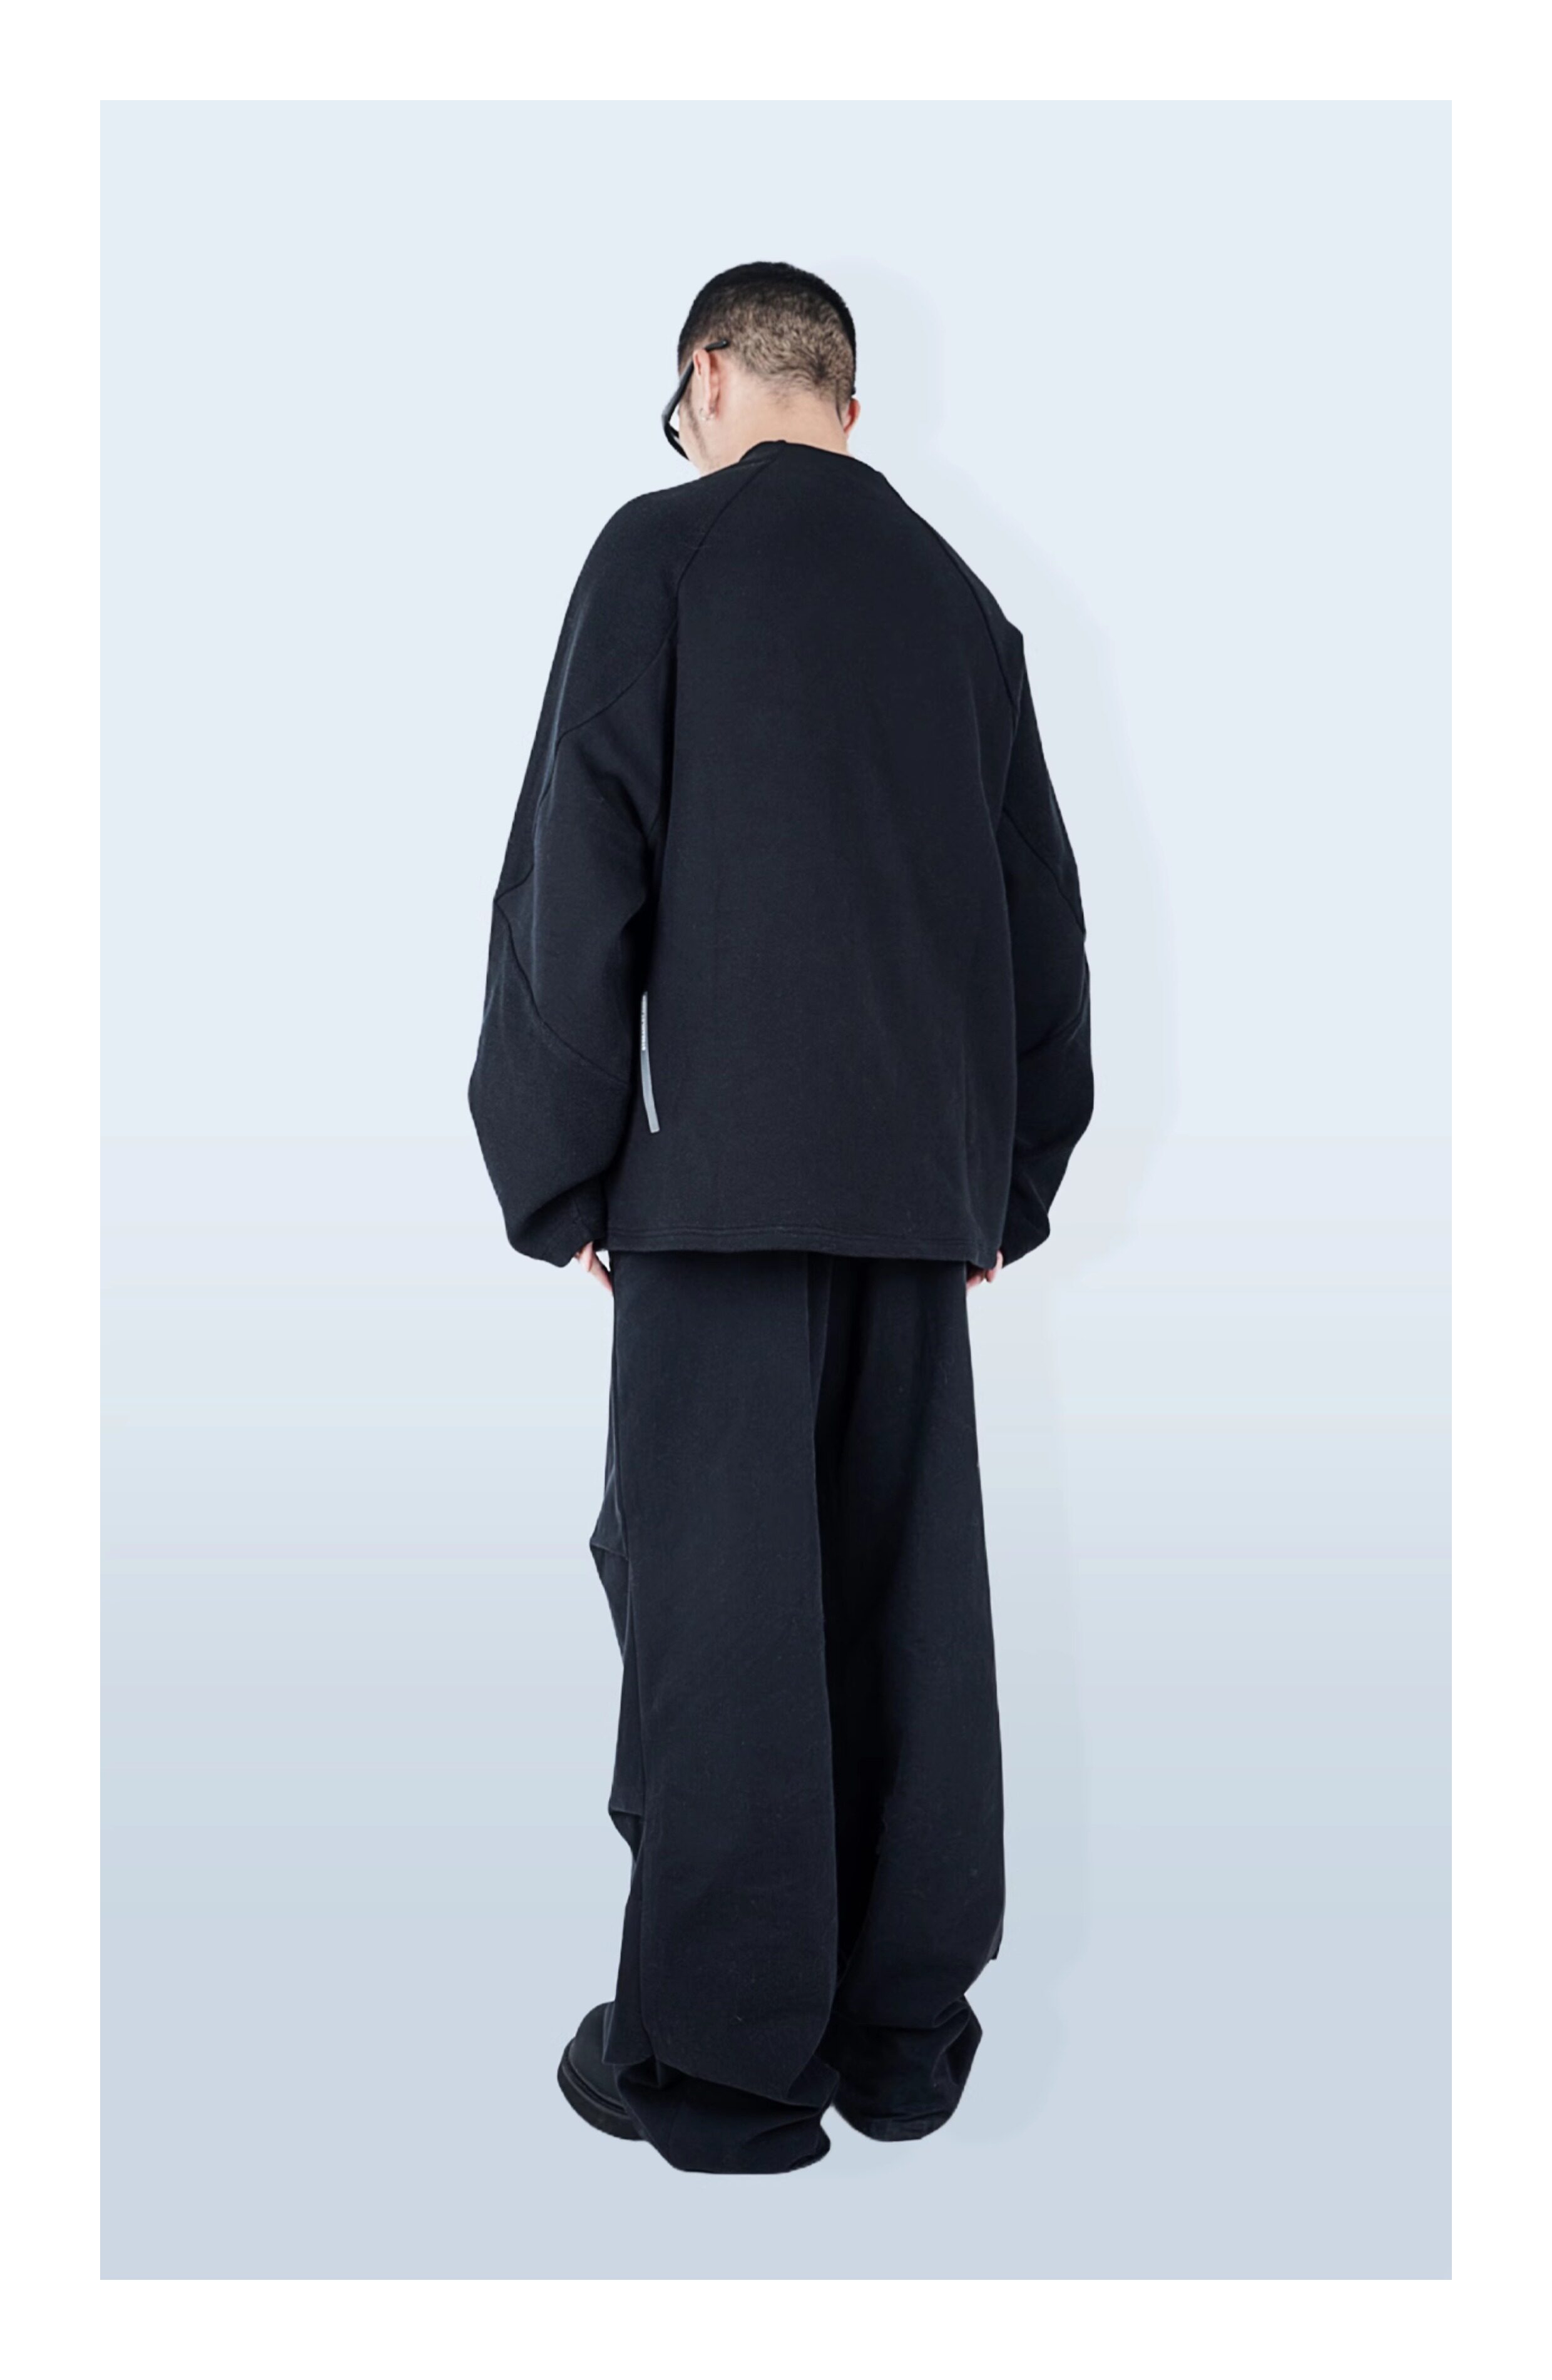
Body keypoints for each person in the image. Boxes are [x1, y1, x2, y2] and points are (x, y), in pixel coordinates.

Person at [469, 261, 1093, 2175]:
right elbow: (1041, 927)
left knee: (722, 1618)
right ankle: (899, 2037)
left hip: (714, 1191)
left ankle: (730, 2065)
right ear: (847, 397)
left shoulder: (660, 556)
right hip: (916, 1206)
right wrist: (1004, 1180)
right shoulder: (960, 608)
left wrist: (560, 1161)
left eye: (685, 411)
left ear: (711, 377)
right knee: (908, 1619)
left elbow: (578, 864)